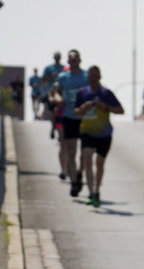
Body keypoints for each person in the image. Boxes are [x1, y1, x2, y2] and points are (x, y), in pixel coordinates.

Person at [73, 65, 124, 207]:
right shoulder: (81, 93)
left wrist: (105, 106)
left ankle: (97, 190)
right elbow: (75, 112)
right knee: (87, 159)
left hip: (104, 134)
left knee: (99, 163)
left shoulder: (106, 93)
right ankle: (91, 193)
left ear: (100, 77)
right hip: (87, 132)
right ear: (87, 78)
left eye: (96, 76)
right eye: (91, 76)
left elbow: (121, 110)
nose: (93, 79)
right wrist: (83, 108)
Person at [56, 49, 88, 195]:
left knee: (85, 152)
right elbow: (55, 91)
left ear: (80, 60)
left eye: (76, 58)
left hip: (85, 117)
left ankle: (80, 172)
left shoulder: (86, 76)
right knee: (71, 150)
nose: (73, 61)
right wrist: (58, 99)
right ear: (68, 62)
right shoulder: (63, 77)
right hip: (69, 116)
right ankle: (74, 182)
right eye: (71, 59)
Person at [41, 52, 64, 137]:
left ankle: (58, 129)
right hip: (50, 94)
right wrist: (51, 76)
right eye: (55, 56)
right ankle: (53, 126)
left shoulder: (64, 68)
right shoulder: (48, 68)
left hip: (61, 94)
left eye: (58, 56)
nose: (57, 58)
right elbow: (42, 79)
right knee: (52, 113)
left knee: (60, 114)